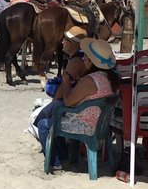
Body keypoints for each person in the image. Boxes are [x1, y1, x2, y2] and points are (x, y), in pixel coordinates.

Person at [36, 37, 119, 172]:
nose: (84, 59)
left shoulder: (90, 80)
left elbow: (68, 101)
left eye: (86, 56)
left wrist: (67, 82)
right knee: (55, 116)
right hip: (101, 125)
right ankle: (63, 157)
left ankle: (54, 161)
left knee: (44, 124)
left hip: (85, 125)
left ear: (93, 61)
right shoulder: (109, 78)